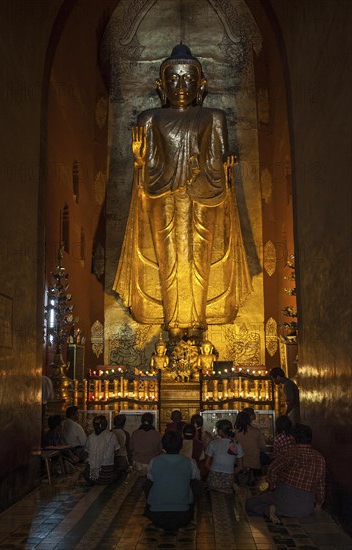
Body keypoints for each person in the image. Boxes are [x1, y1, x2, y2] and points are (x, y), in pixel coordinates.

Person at [113, 43, 251, 339]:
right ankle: (173, 323)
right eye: (173, 78)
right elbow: (150, 164)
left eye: (188, 78)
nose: (180, 85)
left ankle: (198, 322)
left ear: (201, 85)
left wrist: (224, 162)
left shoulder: (214, 117)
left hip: (205, 191)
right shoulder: (150, 119)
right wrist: (139, 160)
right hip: (161, 193)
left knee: (200, 259)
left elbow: (217, 155)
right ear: (160, 85)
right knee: (169, 260)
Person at [245, 424, 326, 524]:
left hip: (284, 499)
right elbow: (321, 484)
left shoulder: (289, 453)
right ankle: (273, 509)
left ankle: (269, 510)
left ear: (293, 438)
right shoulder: (320, 458)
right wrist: (319, 504)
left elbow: (272, 469)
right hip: (306, 509)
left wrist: (271, 486)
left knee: (250, 503)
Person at [144, 430, 200, 531]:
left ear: (163, 446)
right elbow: (196, 478)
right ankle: (190, 517)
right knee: (195, 483)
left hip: (157, 516)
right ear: (181, 446)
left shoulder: (154, 461)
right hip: (183, 516)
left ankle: (153, 517)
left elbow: (151, 478)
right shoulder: (190, 462)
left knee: (148, 483)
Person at [205, 418, 243, 494]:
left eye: (217, 429)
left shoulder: (213, 443)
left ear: (221, 431)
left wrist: (215, 471)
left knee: (210, 486)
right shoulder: (237, 445)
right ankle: (228, 488)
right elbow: (240, 467)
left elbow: (206, 464)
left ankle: (217, 489)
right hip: (228, 481)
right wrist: (230, 473)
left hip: (213, 480)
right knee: (229, 485)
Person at [84, 415, 120, 485]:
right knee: (118, 469)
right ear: (105, 424)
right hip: (106, 477)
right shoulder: (112, 436)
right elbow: (117, 451)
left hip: (90, 477)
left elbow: (87, 452)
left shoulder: (90, 437)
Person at [234, 411, 267, 483]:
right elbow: (263, 446)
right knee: (255, 488)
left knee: (241, 489)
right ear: (249, 420)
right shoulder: (257, 431)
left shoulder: (235, 433)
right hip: (255, 464)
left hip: (240, 465)